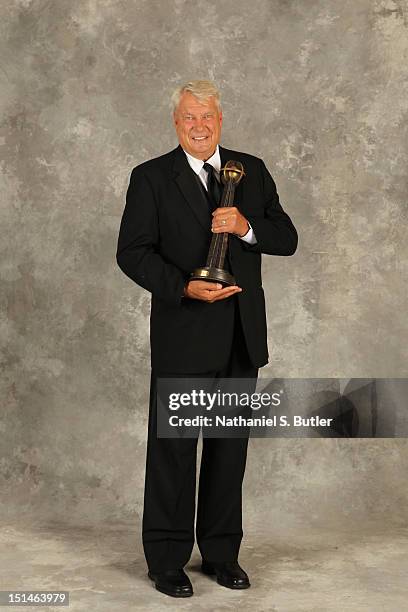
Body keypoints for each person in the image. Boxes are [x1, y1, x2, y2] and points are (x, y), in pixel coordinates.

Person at [116, 80, 298, 598]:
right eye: (189, 117)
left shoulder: (252, 170)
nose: (200, 125)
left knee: (228, 450)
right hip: (183, 332)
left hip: (241, 335)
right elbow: (132, 252)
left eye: (208, 117)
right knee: (174, 450)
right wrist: (183, 288)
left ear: (221, 120)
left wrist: (245, 227)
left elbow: (285, 238)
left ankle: (221, 554)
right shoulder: (151, 178)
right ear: (176, 124)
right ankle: (167, 559)